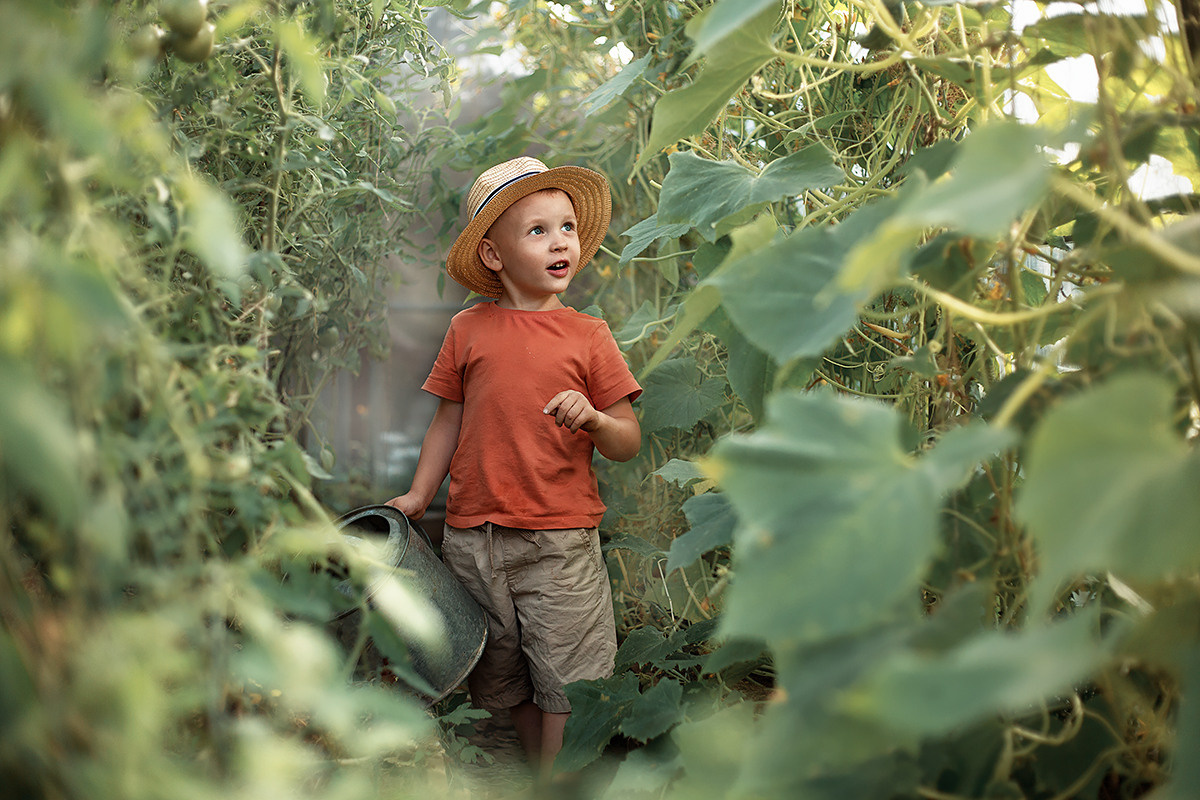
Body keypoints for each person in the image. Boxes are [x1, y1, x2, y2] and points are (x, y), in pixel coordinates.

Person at [385, 156, 642, 777]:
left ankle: (556, 784)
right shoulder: (468, 328)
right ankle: (528, 779)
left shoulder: (589, 336)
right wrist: (418, 496)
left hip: (558, 540)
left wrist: (596, 419)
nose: (560, 242)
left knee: (569, 674)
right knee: (502, 675)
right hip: (474, 541)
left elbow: (628, 440)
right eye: (538, 230)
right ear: (493, 255)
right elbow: (448, 422)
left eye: (567, 227)